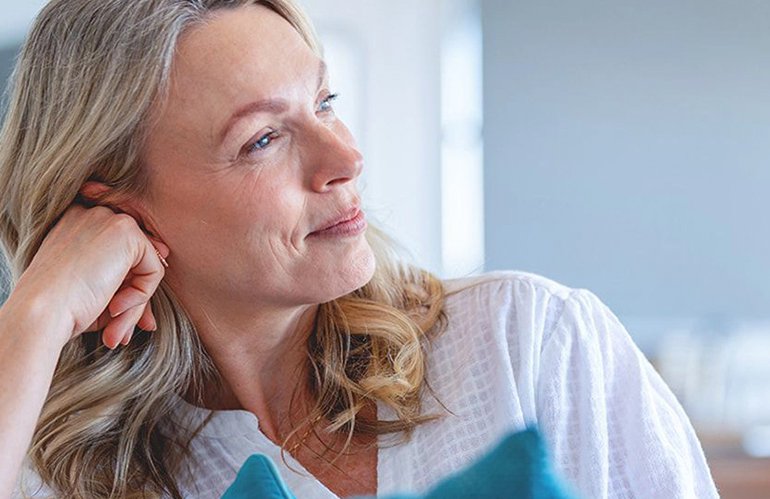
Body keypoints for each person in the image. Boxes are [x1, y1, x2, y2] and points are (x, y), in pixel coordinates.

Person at [0, 1, 719, 498]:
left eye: (325, 103)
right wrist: (33, 316)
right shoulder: (65, 471)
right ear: (117, 206)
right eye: (263, 139)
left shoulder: (528, 344)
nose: (344, 157)